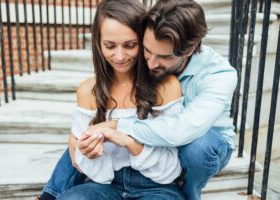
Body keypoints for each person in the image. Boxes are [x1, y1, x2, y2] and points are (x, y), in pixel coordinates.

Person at [40, 0, 238, 199]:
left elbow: (182, 130)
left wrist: (117, 127)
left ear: (189, 48)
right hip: (117, 176)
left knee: (198, 148)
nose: (150, 64)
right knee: (88, 135)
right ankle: (51, 193)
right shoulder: (102, 84)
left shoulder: (217, 75)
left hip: (204, 142)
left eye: (163, 56)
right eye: (147, 50)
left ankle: (189, 193)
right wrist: (78, 136)